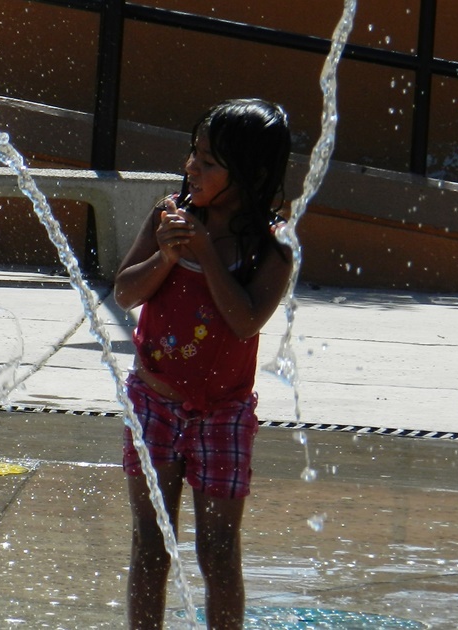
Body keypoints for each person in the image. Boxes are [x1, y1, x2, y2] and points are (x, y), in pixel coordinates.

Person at [113, 98, 293, 630]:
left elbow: (245, 321)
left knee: (218, 552)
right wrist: (166, 256)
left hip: (224, 416)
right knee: (151, 544)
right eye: (194, 153)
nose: (193, 166)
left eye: (210, 161)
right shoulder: (169, 217)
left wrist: (207, 255)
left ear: (251, 174)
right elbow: (124, 292)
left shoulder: (271, 248)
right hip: (154, 404)